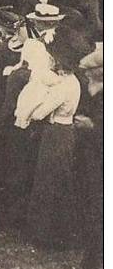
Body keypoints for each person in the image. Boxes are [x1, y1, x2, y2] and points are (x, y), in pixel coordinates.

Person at [19, 26, 91, 250]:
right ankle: (55, 231)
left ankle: (48, 233)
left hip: (57, 134)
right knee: (56, 179)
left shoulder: (64, 86)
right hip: (62, 132)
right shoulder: (69, 82)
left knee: (50, 181)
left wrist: (33, 104)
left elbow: (41, 112)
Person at [73, 45, 102, 269]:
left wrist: (92, 127)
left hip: (101, 161)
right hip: (88, 158)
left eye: (89, 71)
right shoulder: (90, 90)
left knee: (97, 215)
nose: (85, 74)